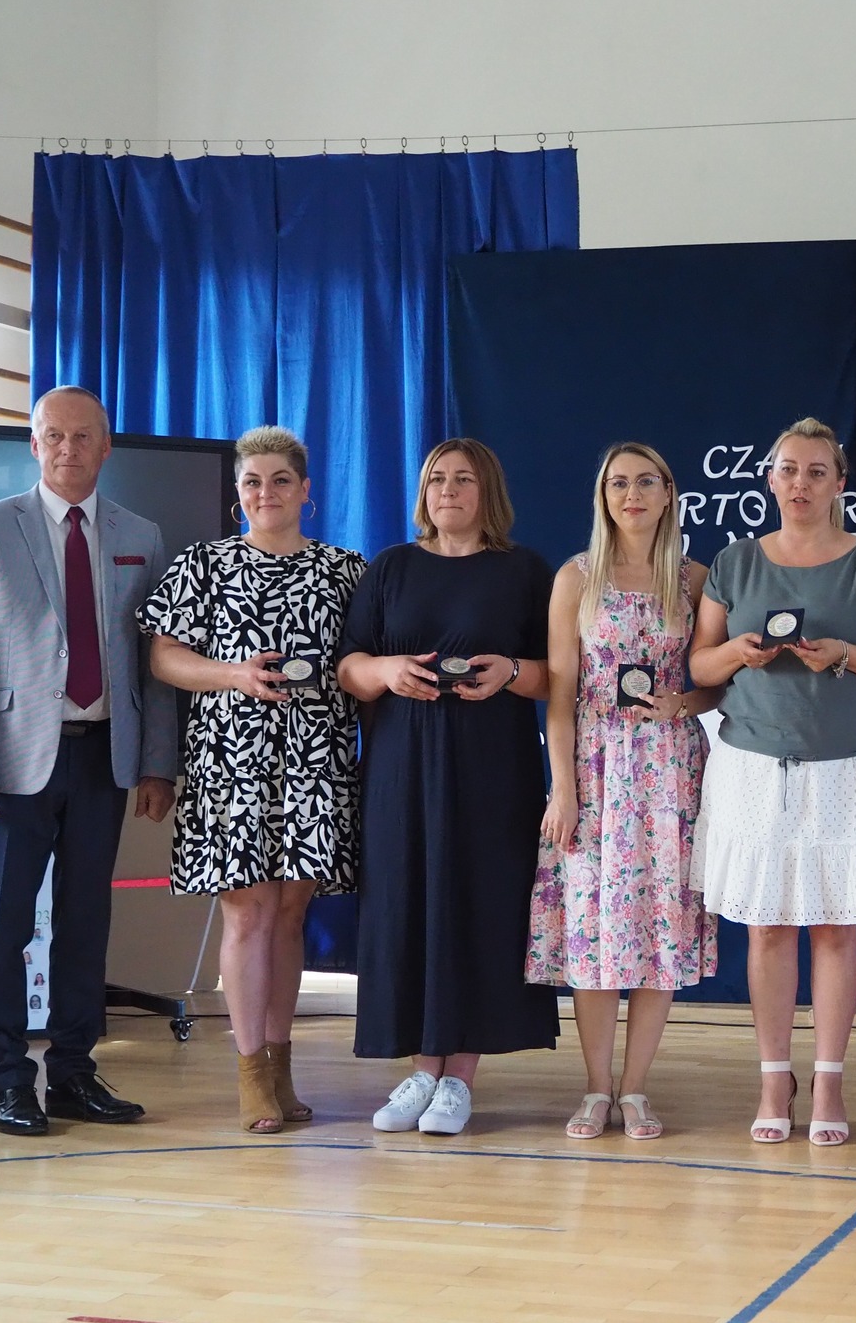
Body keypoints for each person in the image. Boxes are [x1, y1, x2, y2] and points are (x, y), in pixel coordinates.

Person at [0, 385, 178, 1136]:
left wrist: (157, 763)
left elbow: (155, 660)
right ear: (34, 445)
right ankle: (10, 1081)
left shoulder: (142, 534)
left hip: (105, 758)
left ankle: (73, 1072)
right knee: (4, 925)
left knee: (85, 923)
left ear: (106, 446)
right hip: (11, 767)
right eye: (54, 436)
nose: (68, 449)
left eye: (83, 436)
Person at [688, 418, 856, 1146]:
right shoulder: (734, 562)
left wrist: (845, 655)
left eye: (817, 471)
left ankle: (828, 1081)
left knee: (835, 927)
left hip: (850, 768)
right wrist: (736, 652)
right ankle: (773, 1079)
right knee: (767, 927)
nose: (801, 483)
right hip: (754, 767)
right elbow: (698, 667)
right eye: (789, 469)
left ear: (839, 483)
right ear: (770, 479)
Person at [139, 426, 367, 1133]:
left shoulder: (346, 569)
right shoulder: (204, 564)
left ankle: (279, 1062)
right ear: (238, 495)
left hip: (315, 759)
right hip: (230, 760)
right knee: (247, 914)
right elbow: (164, 658)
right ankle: (248, 1072)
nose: (265, 492)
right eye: (252, 482)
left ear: (306, 490)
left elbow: (364, 663)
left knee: (291, 915)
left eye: (279, 480)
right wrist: (232, 674)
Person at [338, 438, 558, 1135]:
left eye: (463, 479)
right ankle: (420, 1071)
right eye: (437, 479)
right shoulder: (391, 567)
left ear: (487, 490)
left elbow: (560, 675)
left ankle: (460, 1075)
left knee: (479, 906)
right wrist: (386, 671)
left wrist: (510, 673)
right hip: (401, 767)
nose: (448, 490)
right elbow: (349, 668)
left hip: (492, 768)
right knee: (406, 905)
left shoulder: (523, 571)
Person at [530, 444, 719, 1141]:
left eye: (645, 482)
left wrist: (682, 703)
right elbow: (559, 694)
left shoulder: (696, 578)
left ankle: (635, 1090)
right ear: (602, 496)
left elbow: (719, 681)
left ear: (668, 493)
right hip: (595, 767)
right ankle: (595, 1089)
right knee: (594, 933)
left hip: (669, 772)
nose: (631, 494)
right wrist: (563, 789)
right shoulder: (577, 577)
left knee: (658, 932)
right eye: (618, 483)